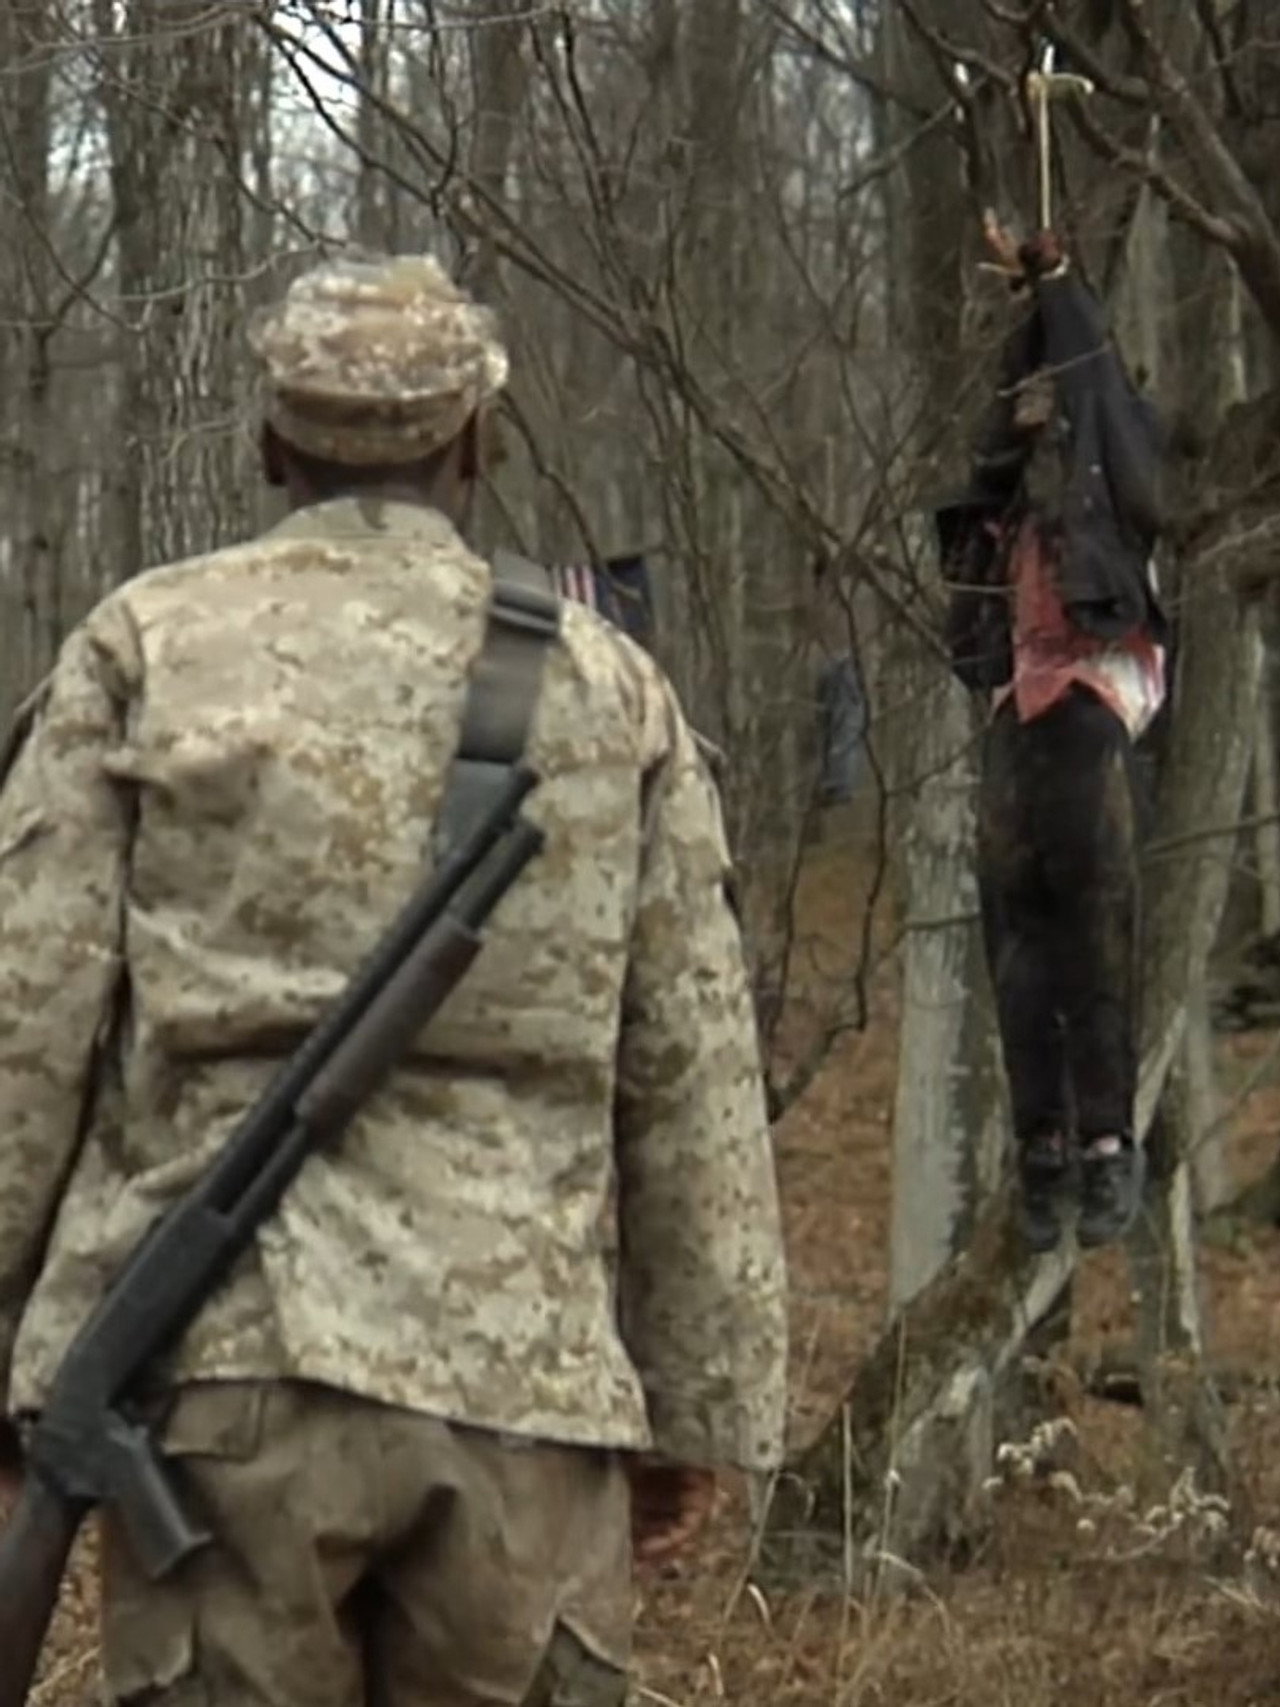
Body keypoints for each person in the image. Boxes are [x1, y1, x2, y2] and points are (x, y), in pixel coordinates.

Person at [0, 255, 789, 1707]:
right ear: (476, 441)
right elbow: (693, 1076)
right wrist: (699, 1404)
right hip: (522, 1391)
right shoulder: (607, 684)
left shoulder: (145, 648)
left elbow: (23, 1031)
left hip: (218, 1372)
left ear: (269, 443)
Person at [937, 216, 1169, 1254]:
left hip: (1091, 683)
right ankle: (1041, 1141)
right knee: (1013, 912)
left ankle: (1108, 1138)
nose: (1038, 399)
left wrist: (1057, 283)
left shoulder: (1114, 454)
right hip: (1019, 695)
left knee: (1092, 901)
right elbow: (989, 452)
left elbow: (1093, 384)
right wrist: (1020, 333)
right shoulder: (1007, 484)